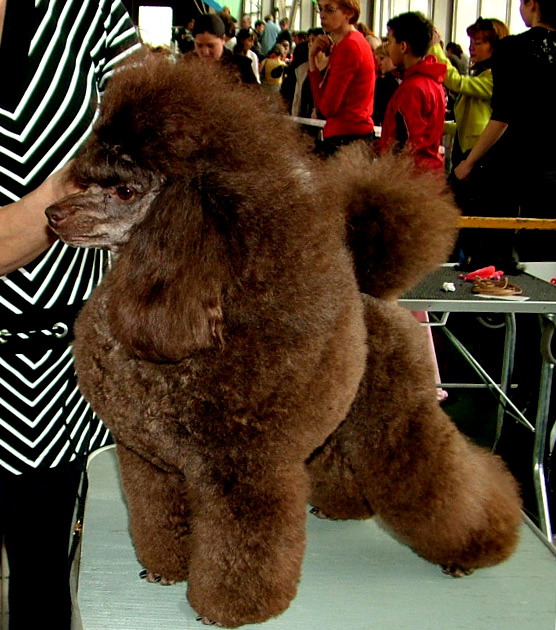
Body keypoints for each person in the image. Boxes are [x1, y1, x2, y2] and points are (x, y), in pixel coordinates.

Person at [0, 1, 140, 628]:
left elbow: (155, 144)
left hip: (56, 375)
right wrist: (75, 187)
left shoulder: (92, 13)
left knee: (43, 582)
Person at [454, 0, 556, 263]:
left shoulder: (513, 48)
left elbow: (502, 117)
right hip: (552, 167)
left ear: (532, 4)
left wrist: (469, 161)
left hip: (517, 163)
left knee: (497, 245)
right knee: (546, 253)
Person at [431, 18, 512, 270]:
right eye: (471, 42)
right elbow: (467, 122)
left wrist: (435, 48)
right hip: (465, 153)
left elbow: (457, 82)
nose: (472, 47)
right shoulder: (481, 74)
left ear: (494, 46)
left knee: (469, 223)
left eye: (478, 42)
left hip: (480, 159)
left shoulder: (494, 78)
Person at [380, 11, 446, 170]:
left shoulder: (411, 89)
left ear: (403, 46)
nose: (387, 48)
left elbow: (408, 143)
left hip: (410, 176)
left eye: (390, 42)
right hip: (429, 171)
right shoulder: (433, 81)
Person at [308, 0, 375, 156]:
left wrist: (313, 64)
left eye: (330, 10)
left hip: (346, 137)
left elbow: (327, 108)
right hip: (351, 134)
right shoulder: (348, 43)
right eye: (320, 9)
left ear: (349, 13)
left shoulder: (349, 46)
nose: (322, 15)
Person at [192, 13, 258, 85]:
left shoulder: (241, 66)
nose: (205, 52)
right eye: (199, 45)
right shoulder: (188, 64)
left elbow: (255, 91)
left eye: (211, 46)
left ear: (223, 39)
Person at [372, 43, 400, 126]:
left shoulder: (385, 82)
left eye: (382, 58)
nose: (379, 63)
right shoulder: (383, 81)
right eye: (377, 60)